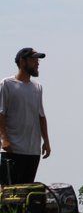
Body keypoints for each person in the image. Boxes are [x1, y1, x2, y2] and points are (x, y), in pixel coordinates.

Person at [0, 47, 51, 186]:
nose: (37, 63)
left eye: (38, 59)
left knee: (26, 193)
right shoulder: (7, 84)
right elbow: (1, 114)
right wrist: (4, 139)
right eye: (34, 59)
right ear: (22, 61)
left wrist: (46, 141)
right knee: (9, 195)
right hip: (13, 150)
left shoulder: (37, 88)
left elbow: (41, 116)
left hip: (32, 151)